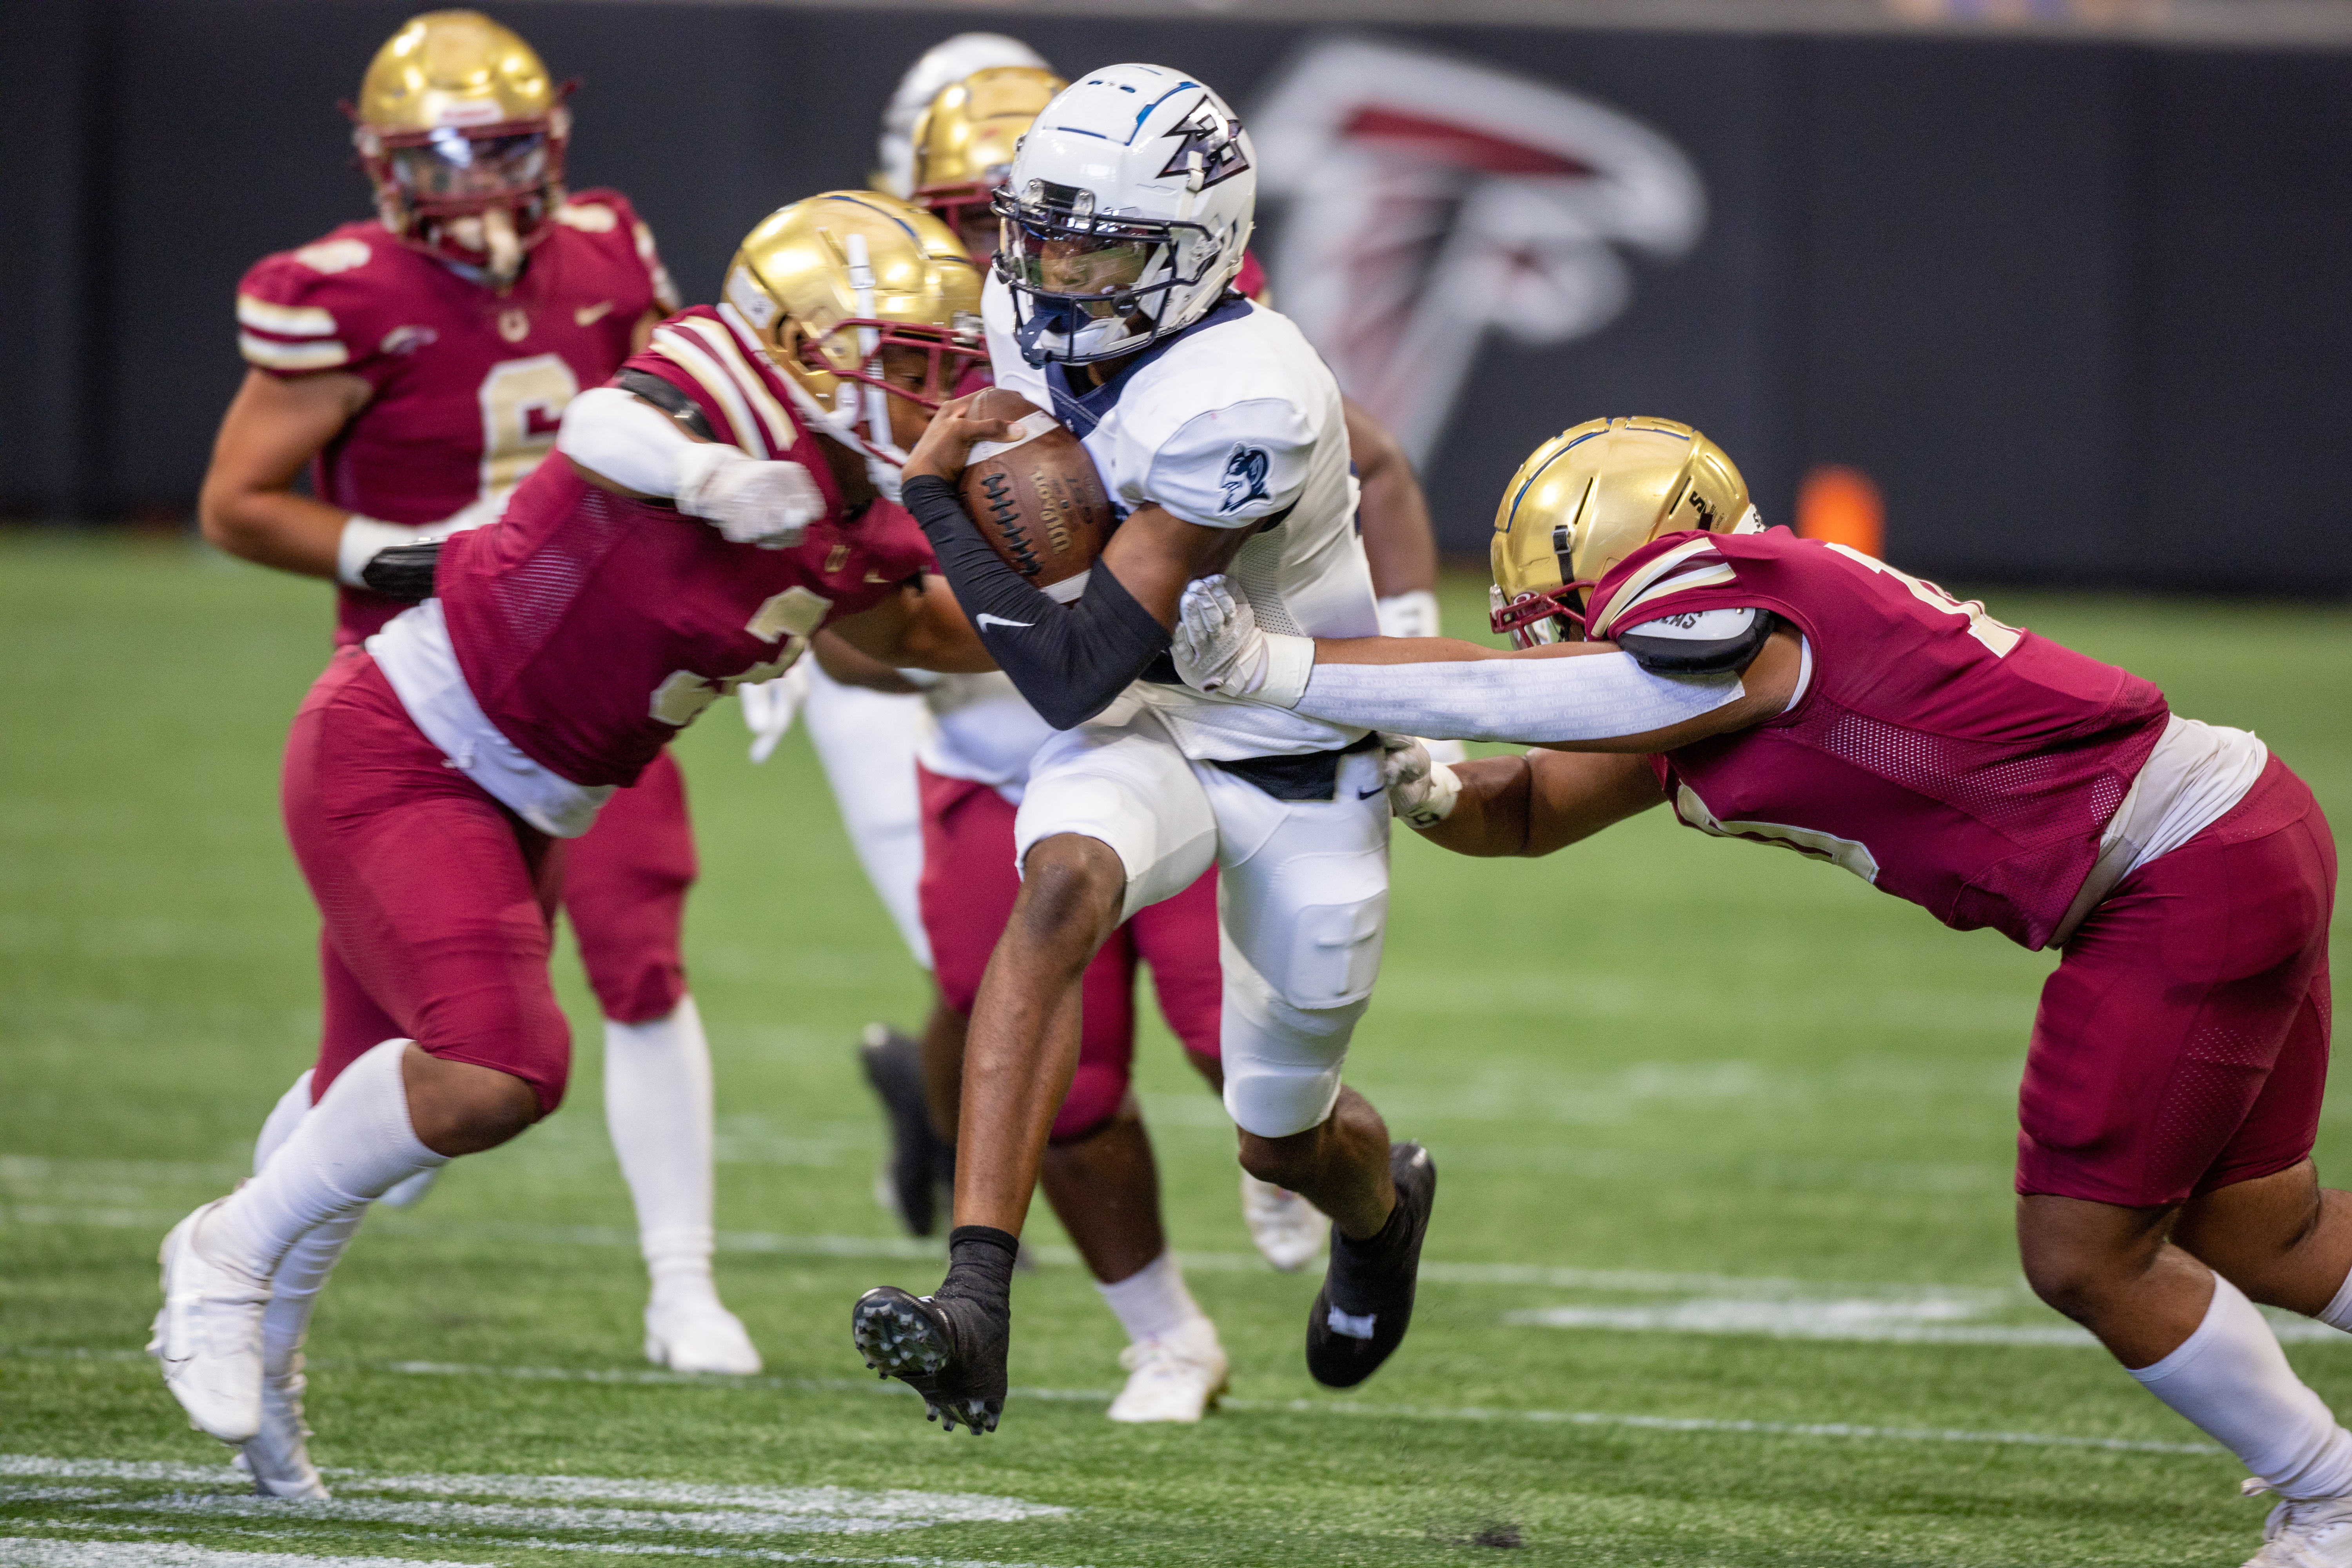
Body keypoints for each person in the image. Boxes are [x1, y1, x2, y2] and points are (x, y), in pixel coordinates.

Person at [1172, 414, 2345, 1568]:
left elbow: (1539, 700)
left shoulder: (1730, 600)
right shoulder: (1712, 665)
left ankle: (2330, 1496)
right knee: (2262, 1226)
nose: (1560, 642)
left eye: (1568, 612)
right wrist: (1428, 790)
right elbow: (1529, 807)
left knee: (2084, 1255)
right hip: (2235, 832)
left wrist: (1290, 672)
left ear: (1649, 555)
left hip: (2179, 870)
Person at [154, 190, 995, 1471]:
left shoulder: (864, 502)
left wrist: (1105, 633)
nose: (926, 392)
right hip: (410, 739)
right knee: (502, 1069)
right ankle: (224, 1253)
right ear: (798, 340)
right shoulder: (720, 378)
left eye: (939, 364)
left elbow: (907, 636)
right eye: (900, 360)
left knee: (356, 1094)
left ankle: (264, 1349)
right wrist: (712, 477)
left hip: (530, 791)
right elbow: (605, 419)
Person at [191, 9, 754, 1495]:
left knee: (526, 1017)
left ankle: (673, 1280)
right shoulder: (338, 297)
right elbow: (239, 502)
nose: (482, 181)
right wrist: (392, 552)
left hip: (585, 698)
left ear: (556, 141)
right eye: (447, 154)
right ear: (383, 164)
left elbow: (674, 420)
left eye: (508, 146)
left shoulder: (611, 250)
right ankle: (242, 1287)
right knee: (437, 1062)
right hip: (420, 695)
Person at [848, 64, 1435, 1437]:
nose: (1050, 269)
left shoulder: (1253, 393)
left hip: (1291, 736)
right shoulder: (1017, 299)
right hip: (1149, 718)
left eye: (1095, 242)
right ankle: (976, 1299)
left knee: (1279, 1132)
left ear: (1203, 245)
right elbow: (1094, 677)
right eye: (1037, 230)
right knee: (1059, 888)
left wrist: (935, 499)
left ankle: (1382, 1207)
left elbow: (1068, 668)